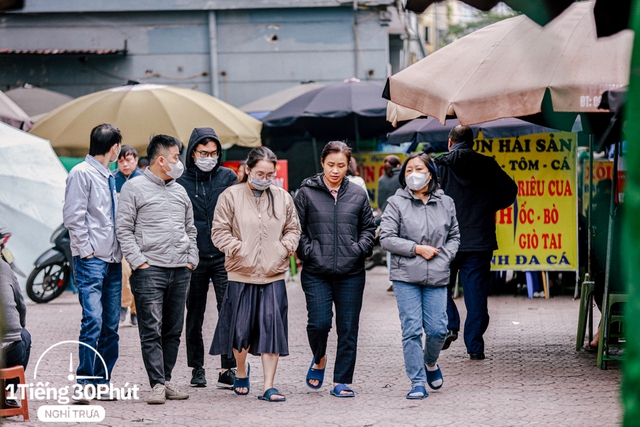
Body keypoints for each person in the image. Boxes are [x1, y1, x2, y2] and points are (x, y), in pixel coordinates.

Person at [210, 147, 300, 403]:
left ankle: (269, 385)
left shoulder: (283, 198)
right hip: (241, 272)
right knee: (240, 331)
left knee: (272, 327)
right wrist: (237, 248)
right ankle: (240, 371)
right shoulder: (230, 196)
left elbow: (293, 228)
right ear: (247, 169)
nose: (265, 178)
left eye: (270, 174)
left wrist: (284, 248)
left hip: (273, 274)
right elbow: (219, 231)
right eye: (259, 172)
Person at [117, 134, 199, 405]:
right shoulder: (134, 188)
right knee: (151, 329)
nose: (179, 162)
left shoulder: (179, 190)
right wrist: (139, 261)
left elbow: (191, 228)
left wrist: (191, 259)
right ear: (162, 160)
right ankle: (156, 384)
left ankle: (166, 379)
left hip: (180, 269)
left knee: (173, 329)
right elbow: (123, 229)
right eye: (176, 157)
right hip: (150, 270)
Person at [295, 141, 376, 398]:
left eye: (341, 165)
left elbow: (369, 229)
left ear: (348, 166)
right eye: (331, 165)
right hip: (316, 271)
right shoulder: (306, 192)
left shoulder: (357, 193)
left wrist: (358, 249)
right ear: (322, 163)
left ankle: (341, 380)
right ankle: (319, 357)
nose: (335, 170)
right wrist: (308, 251)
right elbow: (296, 229)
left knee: (348, 328)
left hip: (351, 272)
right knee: (319, 324)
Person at [380, 152, 460, 399]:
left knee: (438, 330)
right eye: (408, 171)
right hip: (405, 275)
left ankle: (430, 363)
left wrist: (444, 258)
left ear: (431, 174)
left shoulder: (446, 202)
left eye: (418, 169)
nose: (413, 175)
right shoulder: (396, 202)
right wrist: (416, 249)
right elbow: (386, 238)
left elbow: (454, 236)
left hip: (437, 273)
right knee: (412, 330)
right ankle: (417, 382)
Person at [435, 125, 517, 360]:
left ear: (450, 142)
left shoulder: (440, 165)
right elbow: (509, 190)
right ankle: (475, 346)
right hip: (479, 239)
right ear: (472, 142)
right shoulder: (487, 164)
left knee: (440, 286)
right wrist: (488, 206)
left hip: (445, 239)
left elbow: (425, 196)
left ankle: (450, 324)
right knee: (476, 294)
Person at [63, 123, 123, 404]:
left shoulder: (108, 176)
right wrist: (86, 252)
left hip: (112, 260)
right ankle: (84, 382)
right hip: (91, 261)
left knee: (111, 324)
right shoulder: (81, 173)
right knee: (93, 321)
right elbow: (73, 216)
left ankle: (102, 380)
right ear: (114, 148)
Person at [177, 127, 238, 388]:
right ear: (192, 154)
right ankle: (197, 367)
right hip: (194, 257)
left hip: (224, 256)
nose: (209, 157)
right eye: (203, 153)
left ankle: (228, 367)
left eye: (213, 153)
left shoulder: (228, 176)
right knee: (194, 315)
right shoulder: (180, 181)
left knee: (229, 310)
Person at [113, 145, 144, 327]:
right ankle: (124, 305)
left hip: (140, 236)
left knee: (137, 273)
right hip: (120, 236)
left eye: (128, 160)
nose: (125, 164)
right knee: (124, 272)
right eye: (121, 160)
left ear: (136, 161)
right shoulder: (112, 180)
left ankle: (135, 310)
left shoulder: (144, 180)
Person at [0, 259, 31, 408]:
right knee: (25, 336)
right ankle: (10, 393)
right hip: (10, 349)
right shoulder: (4, 267)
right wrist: (19, 328)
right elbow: (21, 305)